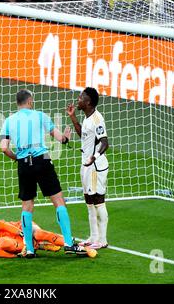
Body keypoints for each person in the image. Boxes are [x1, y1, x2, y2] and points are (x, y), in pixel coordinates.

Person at [0, 89, 87, 258]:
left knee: (27, 205)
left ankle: (30, 249)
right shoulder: (40, 116)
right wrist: (66, 138)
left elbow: (4, 147)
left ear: (18, 103)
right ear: (30, 101)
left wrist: (17, 158)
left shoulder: (9, 121)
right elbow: (60, 138)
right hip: (42, 160)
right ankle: (68, 243)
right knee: (58, 200)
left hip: (24, 164)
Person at [66, 87, 109, 250]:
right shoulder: (87, 118)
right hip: (86, 164)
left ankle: (103, 239)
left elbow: (105, 142)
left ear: (88, 101)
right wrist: (73, 118)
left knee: (98, 201)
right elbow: (83, 135)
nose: (78, 100)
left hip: (95, 166)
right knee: (89, 201)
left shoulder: (97, 119)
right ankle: (93, 236)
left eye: (80, 97)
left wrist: (94, 157)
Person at [0, 216, 97, 258]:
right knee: (3, 242)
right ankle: (37, 246)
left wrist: (20, 232)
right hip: (16, 246)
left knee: (38, 234)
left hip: (17, 229)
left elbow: (1, 225)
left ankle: (77, 245)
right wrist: (16, 256)